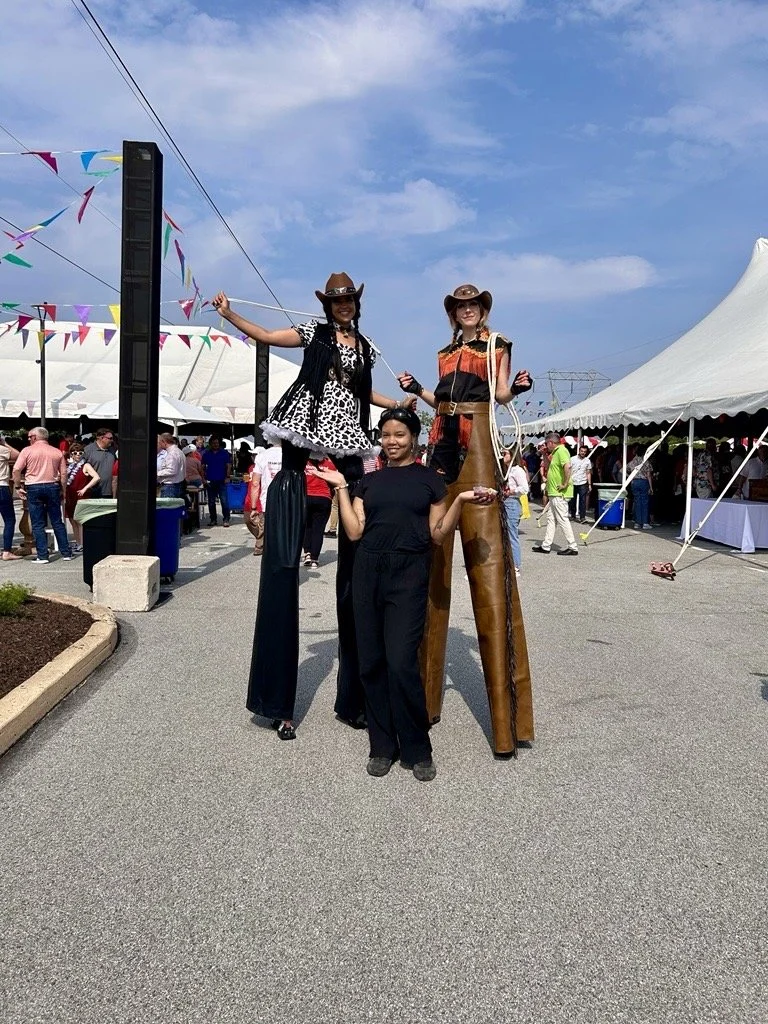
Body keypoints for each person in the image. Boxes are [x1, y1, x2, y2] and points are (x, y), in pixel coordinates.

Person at [212, 273, 413, 740]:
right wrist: (230, 315)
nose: (344, 306)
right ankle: (276, 700)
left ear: (356, 304)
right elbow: (266, 336)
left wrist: (395, 402)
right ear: (327, 305)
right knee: (284, 561)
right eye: (337, 301)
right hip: (306, 431)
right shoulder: (313, 332)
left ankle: (357, 699)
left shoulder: (364, 345)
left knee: (357, 570)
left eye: (349, 300)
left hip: (349, 437)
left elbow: (360, 393)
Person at [312, 407, 496, 780]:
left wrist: (459, 502)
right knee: (372, 663)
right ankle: (382, 745)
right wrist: (341, 488)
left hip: (409, 575)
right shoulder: (368, 483)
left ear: (413, 437)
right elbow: (353, 532)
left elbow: (438, 534)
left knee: (400, 661)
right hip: (367, 573)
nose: (391, 442)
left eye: (399, 435)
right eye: (385, 435)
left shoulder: (430, 481)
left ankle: (417, 746)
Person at [397, 282, 534, 757]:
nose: (468, 311)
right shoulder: (443, 352)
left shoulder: (497, 345)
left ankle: (506, 724)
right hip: (442, 446)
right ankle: (422, 704)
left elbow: (498, 397)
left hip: (478, 449)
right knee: (430, 563)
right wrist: (417, 390)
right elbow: (440, 404)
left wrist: (516, 388)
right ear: (453, 313)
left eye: (474, 305)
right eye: (461, 307)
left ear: (482, 310)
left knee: (489, 572)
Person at [12, 427, 73, 563]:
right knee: (57, 521)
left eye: (29, 437)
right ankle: (66, 553)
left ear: (35, 437)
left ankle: (43, 555)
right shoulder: (56, 452)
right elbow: (63, 474)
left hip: (34, 486)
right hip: (52, 486)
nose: (28, 439)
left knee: (38, 523)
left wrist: (17, 487)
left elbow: (16, 469)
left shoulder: (27, 451)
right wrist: (63, 490)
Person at [533, 432, 579, 556]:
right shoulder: (555, 453)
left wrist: (564, 483)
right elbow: (548, 466)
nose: (546, 446)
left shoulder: (561, 451)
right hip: (554, 492)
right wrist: (544, 454)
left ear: (551, 442)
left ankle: (572, 546)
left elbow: (567, 467)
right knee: (551, 519)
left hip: (560, 492)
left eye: (547, 444)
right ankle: (546, 545)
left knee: (562, 518)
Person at [247, 443, 283, 557]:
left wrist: (253, 507)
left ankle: (269, 554)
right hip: (285, 499)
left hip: (267, 499)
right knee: (283, 530)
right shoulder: (289, 454)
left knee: (268, 529)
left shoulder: (262, 456)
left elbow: (255, 483)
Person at [65, 442, 100, 551]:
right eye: (75, 453)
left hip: (81, 495)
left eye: (80, 453)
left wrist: (85, 488)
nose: (78, 455)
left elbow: (96, 477)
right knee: (72, 520)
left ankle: (83, 543)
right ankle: (78, 542)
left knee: (80, 520)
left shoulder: (86, 465)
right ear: (71, 454)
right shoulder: (69, 466)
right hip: (70, 495)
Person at [302, 457, 334, 568]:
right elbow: (333, 482)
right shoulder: (329, 464)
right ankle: (315, 559)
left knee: (307, 526)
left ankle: (307, 553)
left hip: (306, 496)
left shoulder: (304, 463)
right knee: (318, 530)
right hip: (323, 497)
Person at [502, 449, 529, 576]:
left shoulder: (517, 470)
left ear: (512, 456)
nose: (502, 456)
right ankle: (508, 562)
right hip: (505, 502)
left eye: (505, 454)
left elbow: (525, 488)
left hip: (512, 502)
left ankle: (516, 565)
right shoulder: (506, 470)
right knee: (505, 534)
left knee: (512, 534)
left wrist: (511, 491)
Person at [201, 436, 232, 526]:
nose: (216, 445)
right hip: (210, 481)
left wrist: (227, 476)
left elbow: (228, 466)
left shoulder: (224, 453)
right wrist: (203, 479)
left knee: (224, 501)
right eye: (214, 443)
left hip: (222, 480)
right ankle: (213, 519)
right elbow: (202, 467)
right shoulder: (206, 454)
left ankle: (226, 519)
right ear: (210, 444)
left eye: (217, 443)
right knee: (211, 502)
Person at [0, 436, 21, 561]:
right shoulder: (2, 450)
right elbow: (17, 455)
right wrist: (4, 442)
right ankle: (6, 551)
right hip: (1, 486)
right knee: (9, 520)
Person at [627, 443, 654, 529]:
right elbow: (649, 475)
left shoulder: (632, 461)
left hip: (635, 482)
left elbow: (626, 470)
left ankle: (637, 522)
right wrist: (651, 487)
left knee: (637, 502)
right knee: (645, 502)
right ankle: (645, 522)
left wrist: (631, 478)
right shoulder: (646, 461)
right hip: (643, 482)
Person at [83, 427, 116, 498]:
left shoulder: (113, 451)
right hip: (93, 492)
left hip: (110, 492)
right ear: (101, 438)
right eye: (110, 438)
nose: (112, 440)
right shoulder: (88, 450)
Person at [156, 434, 186, 498]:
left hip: (170, 487)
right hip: (176, 485)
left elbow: (172, 470)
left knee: (167, 507)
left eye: (159, 442)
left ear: (164, 442)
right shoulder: (178, 451)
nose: (158, 444)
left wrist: (157, 473)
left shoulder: (172, 453)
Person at [568, 444, 592, 523]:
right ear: (579, 451)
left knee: (582, 500)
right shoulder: (572, 459)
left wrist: (589, 484)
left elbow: (588, 473)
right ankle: (573, 515)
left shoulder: (587, 461)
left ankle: (582, 517)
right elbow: (568, 470)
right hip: (573, 481)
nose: (583, 453)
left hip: (582, 482)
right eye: (582, 451)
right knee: (572, 500)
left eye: (584, 452)